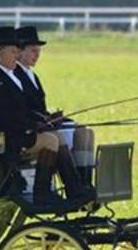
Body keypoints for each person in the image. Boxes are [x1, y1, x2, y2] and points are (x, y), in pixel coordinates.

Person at [0, 26, 65, 205]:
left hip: (16, 134)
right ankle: (42, 192)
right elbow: (4, 118)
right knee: (52, 141)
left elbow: (22, 111)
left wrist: (43, 120)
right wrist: (33, 126)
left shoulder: (8, 76)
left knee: (55, 137)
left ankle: (72, 185)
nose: (17, 55)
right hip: (3, 140)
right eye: (13, 51)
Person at [14, 25, 97, 195]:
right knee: (59, 137)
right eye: (32, 51)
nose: (37, 55)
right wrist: (45, 120)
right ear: (19, 52)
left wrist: (53, 117)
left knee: (85, 132)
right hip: (33, 129)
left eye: (39, 51)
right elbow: (25, 109)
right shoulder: (15, 75)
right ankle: (73, 187)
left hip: (44, 123)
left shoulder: (31, 74)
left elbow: (38, 107)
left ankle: (85, 182)